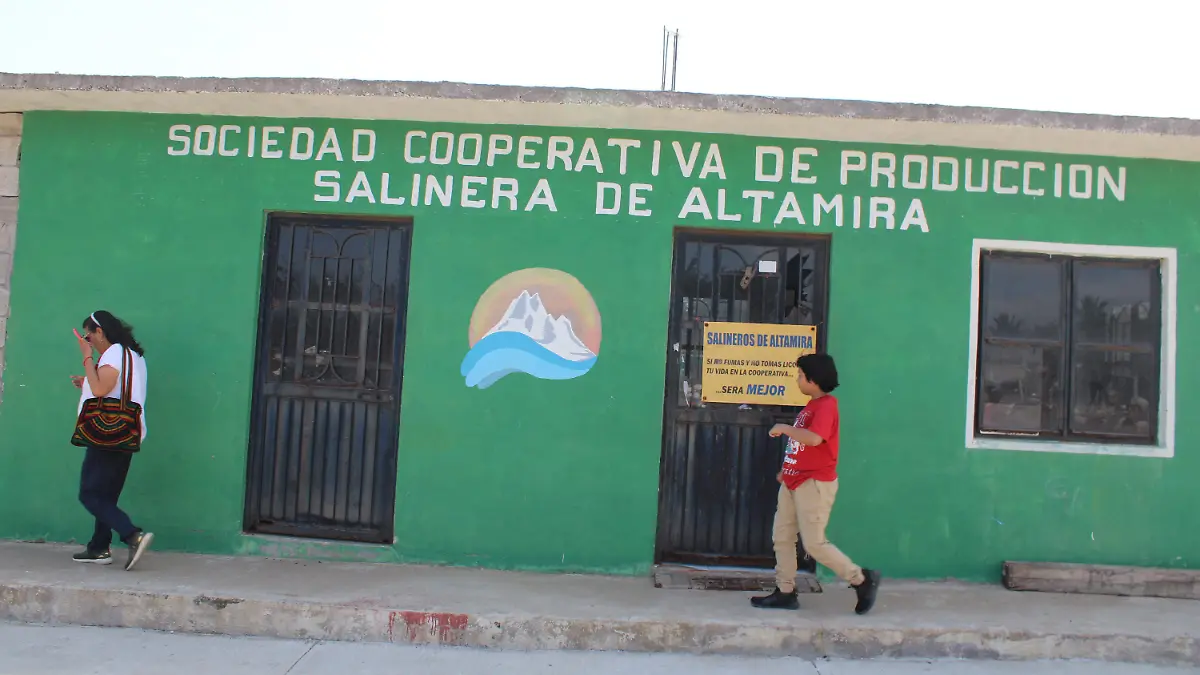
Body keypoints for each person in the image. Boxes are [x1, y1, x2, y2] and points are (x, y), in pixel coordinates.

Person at [751, 353, 880, 614]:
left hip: (814, 483)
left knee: (814, 543)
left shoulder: (826, 406)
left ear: (813, 379)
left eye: (800, 375)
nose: (797, 380)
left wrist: (785, 428)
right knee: (782, 538)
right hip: (793, 481)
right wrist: (786, 470)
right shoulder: (811, 406)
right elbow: (802, 447)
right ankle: (785, 591)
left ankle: (860, 579)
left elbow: (814, 439)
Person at [70, 310, 154, 571]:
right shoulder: (133, 356)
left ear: (100, 332)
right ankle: (99, 547)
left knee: (90, 494)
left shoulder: (114, 353)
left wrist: (86, 357)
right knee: (107, 494)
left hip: (106, 431)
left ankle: (132, 535)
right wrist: (87, 381)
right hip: (127, 431)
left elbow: (100, 390)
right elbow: (116, 387)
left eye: (89, 335)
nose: (88, 340)